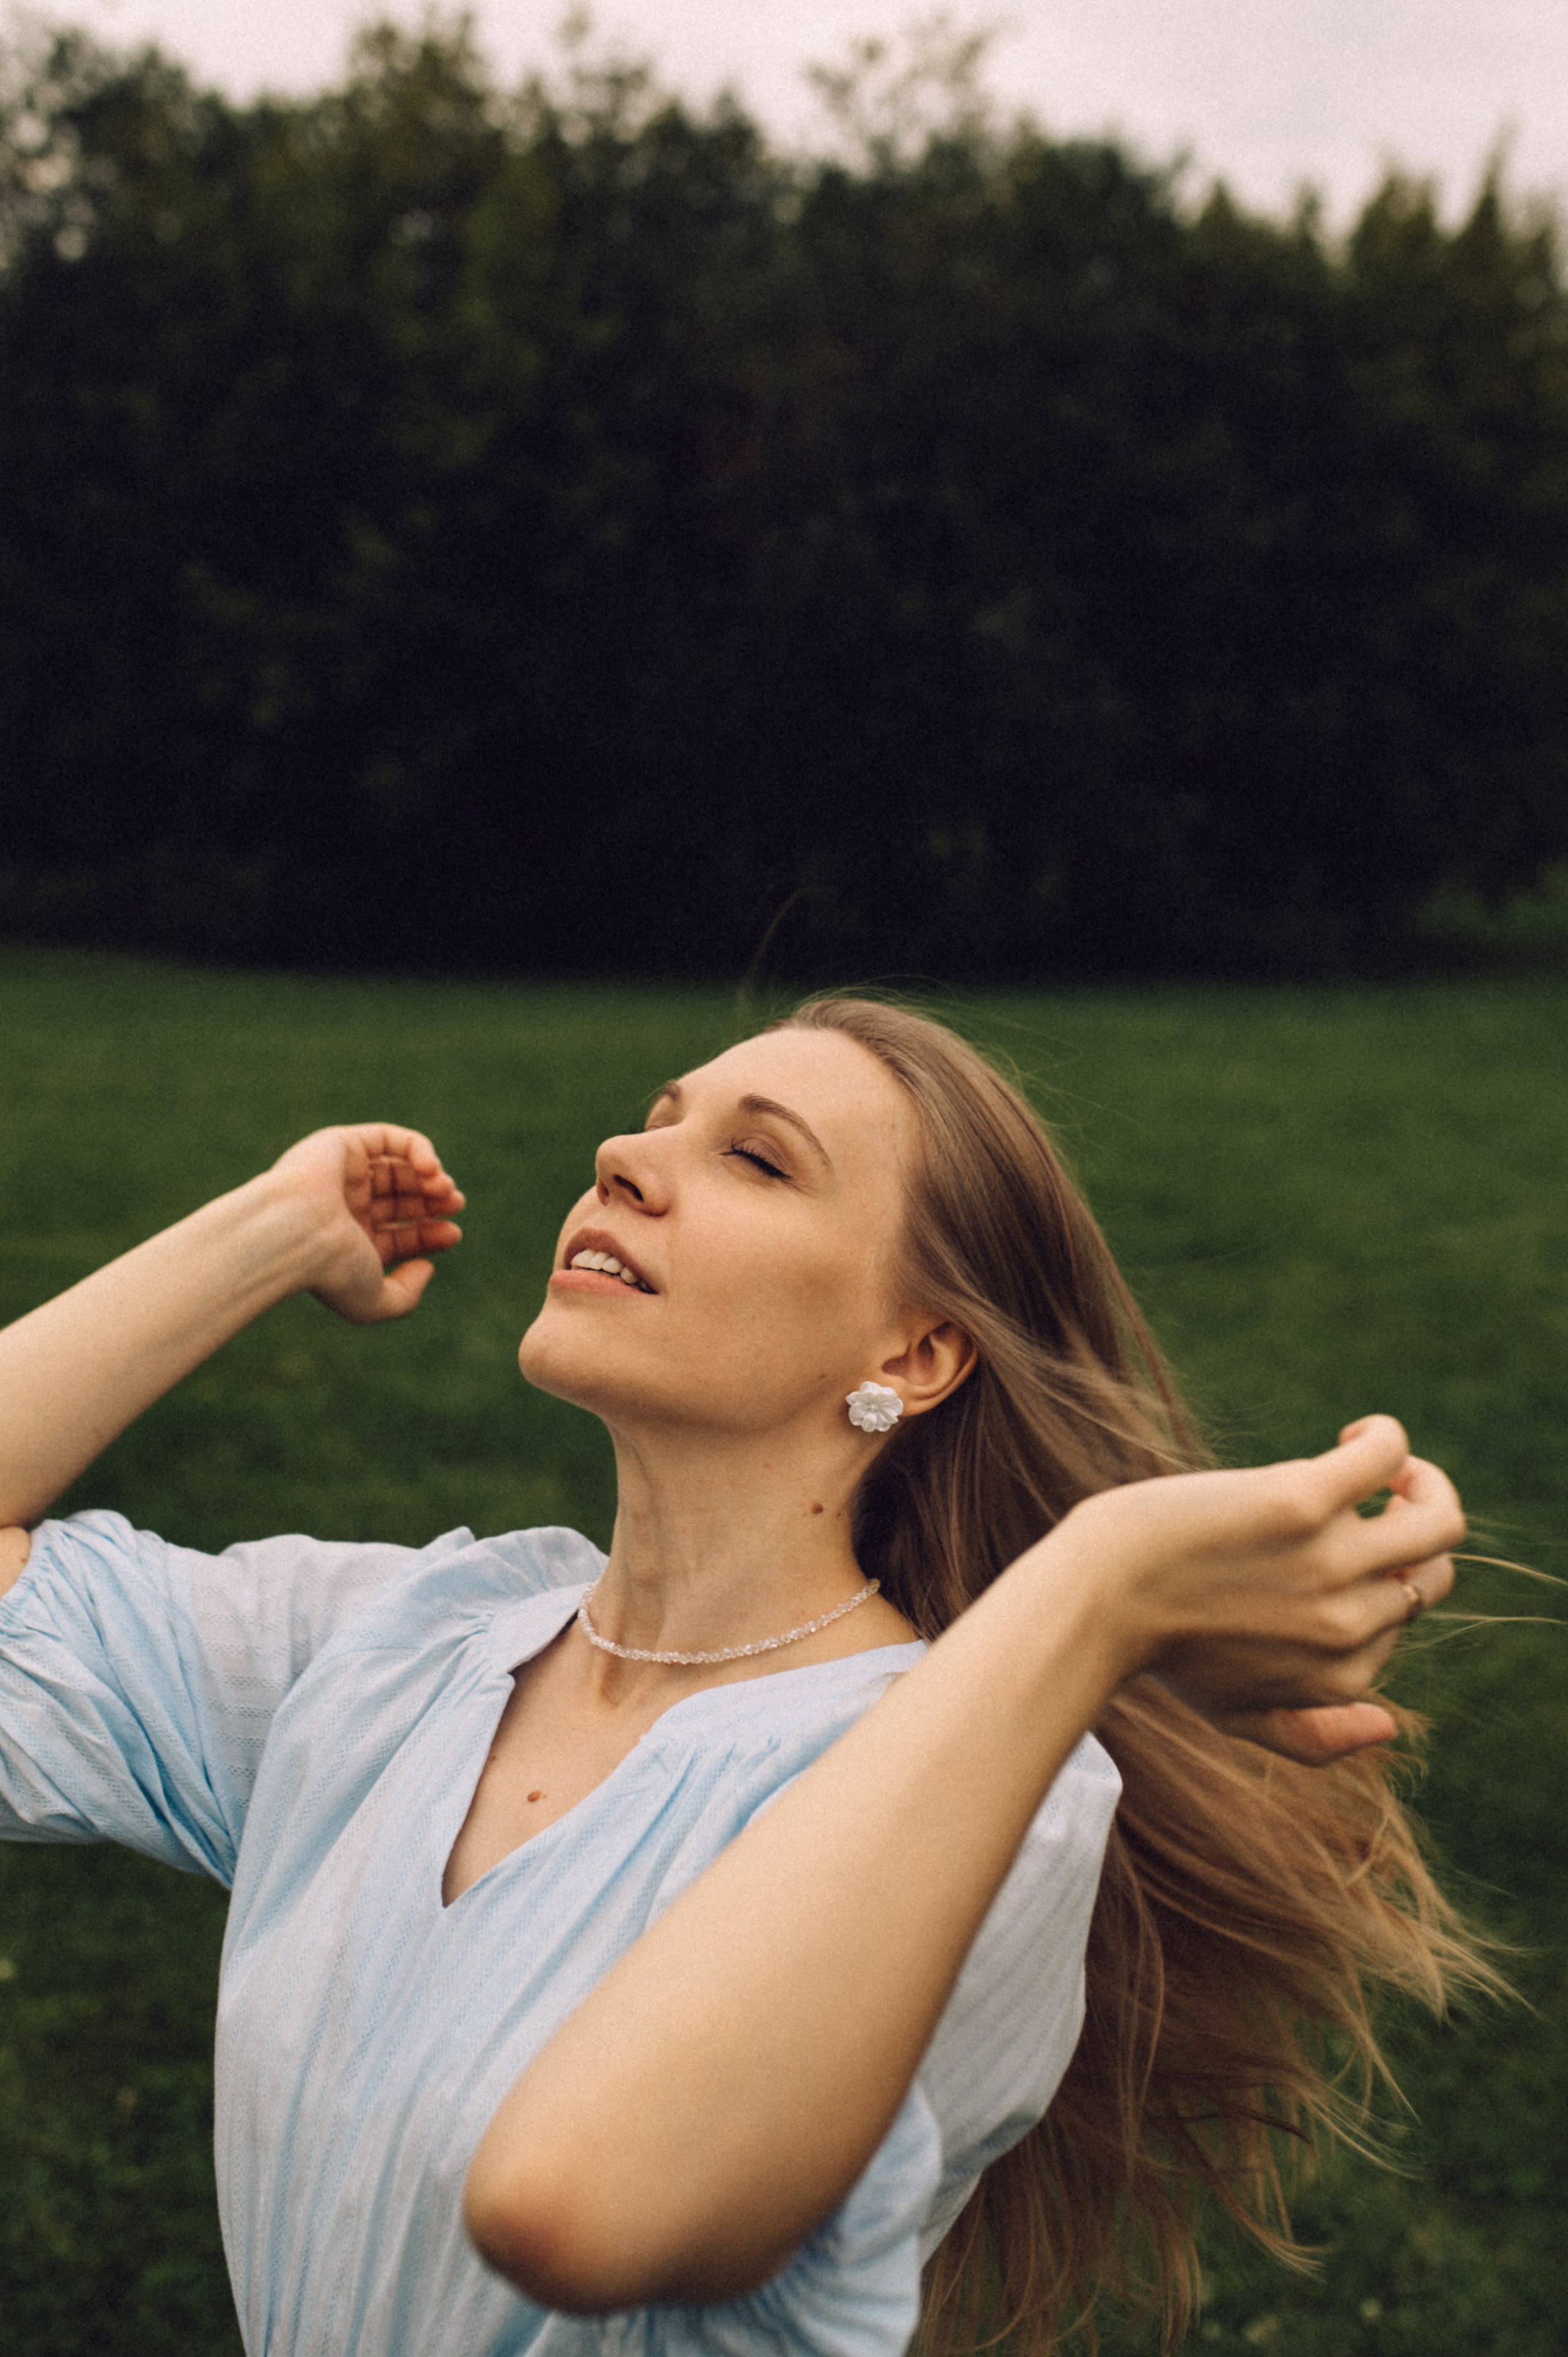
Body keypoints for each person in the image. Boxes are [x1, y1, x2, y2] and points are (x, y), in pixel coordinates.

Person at [0, 996, 1479, 2357]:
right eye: (658, 1114)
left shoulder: (976, 1797)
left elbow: (572, 2202)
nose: (623, 1156)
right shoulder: (402, 1647)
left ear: (915, 1351)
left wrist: (1090, 1597)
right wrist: (269, 1230)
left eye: (757, 1161)